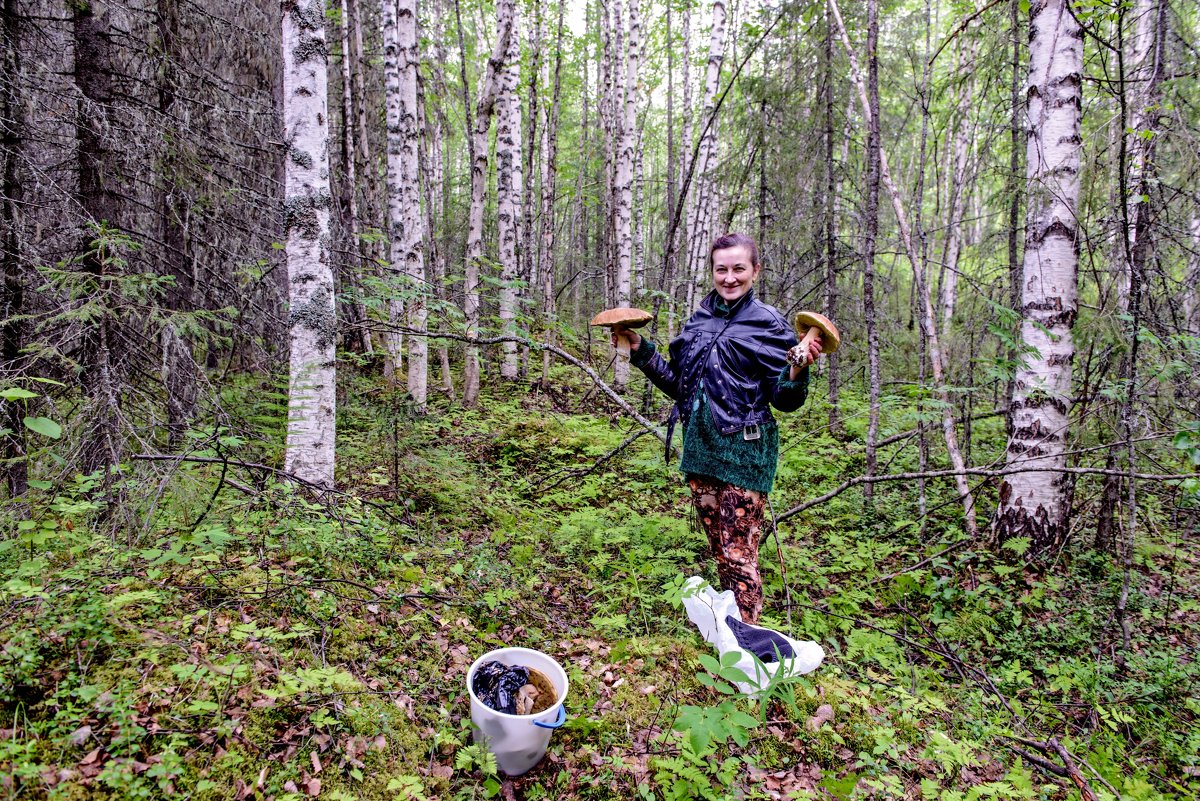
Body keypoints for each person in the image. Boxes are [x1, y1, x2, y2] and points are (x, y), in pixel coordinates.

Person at [613, 233, 821, 625]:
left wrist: (798, 368)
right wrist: (640, 348)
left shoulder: (770, 325)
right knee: (720, 547)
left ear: (755, 271)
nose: (729, 278)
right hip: (701, 448)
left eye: (739, 268)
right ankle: (730, 626)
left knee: (738, 550)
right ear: (712, 271)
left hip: (745, 451)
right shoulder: (698, 322)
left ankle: (746, 645)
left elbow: (785, 400)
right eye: (721, 269)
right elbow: (680, 386)